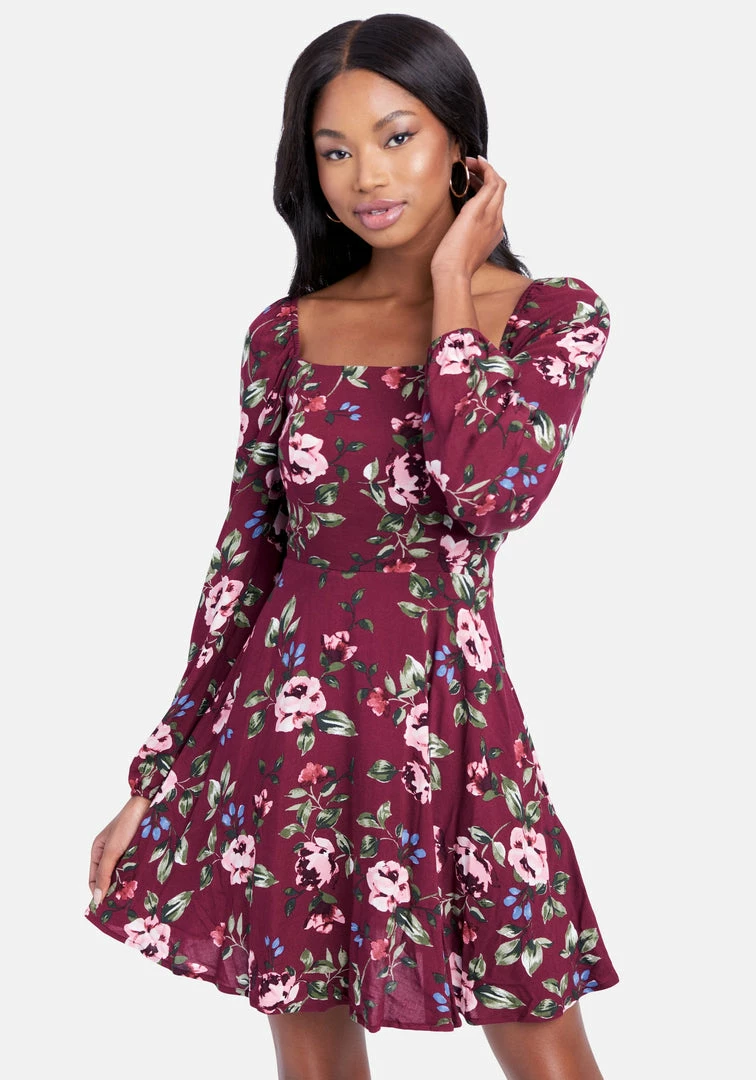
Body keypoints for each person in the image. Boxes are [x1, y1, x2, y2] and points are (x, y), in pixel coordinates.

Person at [86, 13, 619, 1080]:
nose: (366, 176)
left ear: (462, 143)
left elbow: (492, 488)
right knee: (314, 1056)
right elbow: (245, 562)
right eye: (333, 150)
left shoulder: (553, 316)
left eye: (396, 137)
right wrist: (159, 769)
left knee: (544, 1037)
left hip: (454, 728)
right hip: (289, 729)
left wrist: (455, 283)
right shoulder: (285, 334)